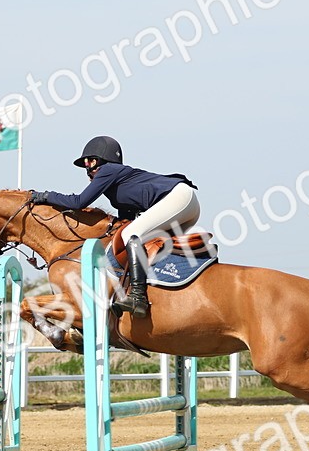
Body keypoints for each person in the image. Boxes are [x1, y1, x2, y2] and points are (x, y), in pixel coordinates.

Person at [30, 136, 200, 317]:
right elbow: (123, 221)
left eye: (88, 162)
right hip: (185, 204)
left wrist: (45, 196)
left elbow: (79, 201)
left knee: (131, 234)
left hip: (178, 198)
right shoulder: (117, 187)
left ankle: (138, 297)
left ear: (99, 161)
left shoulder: (108, 170)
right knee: (148, 243)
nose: (86, 169)